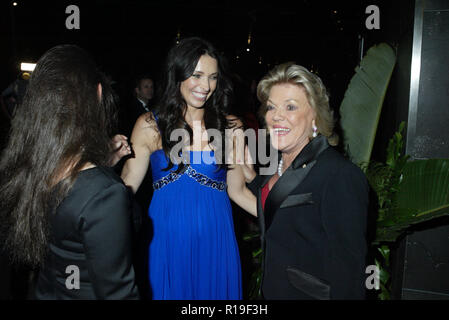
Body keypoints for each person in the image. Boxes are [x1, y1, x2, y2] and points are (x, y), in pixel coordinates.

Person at [0, 45, 139, 300]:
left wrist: (104, 164)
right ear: (97, 94)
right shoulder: (105, 194)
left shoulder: (29, 167)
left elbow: (69, 214)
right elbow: (119, 294)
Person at [227, 62, 369, 300]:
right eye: (271, 107)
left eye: (290, 107)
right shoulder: (275, 172)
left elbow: (350, 276)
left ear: (315, 116)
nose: (276, 116)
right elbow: (265, 201)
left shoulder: (339, 175)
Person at [121, 37, 243, 300]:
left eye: (212, 77)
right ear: (177, 74)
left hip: (216, 242)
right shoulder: (149, 125)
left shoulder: (230, 127)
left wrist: (282, 217)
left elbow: (241, 189)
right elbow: (124, 190)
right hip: (166, 242)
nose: (206, 86)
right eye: (196, 75)